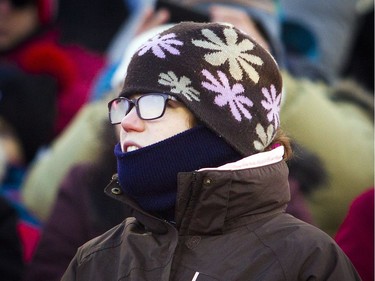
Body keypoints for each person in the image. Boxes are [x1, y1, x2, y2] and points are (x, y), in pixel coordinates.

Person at [61, 22, 360, 280]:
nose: (127, 122)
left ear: (221, 125)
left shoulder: (308, 260)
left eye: (152, 104)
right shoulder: (95, 259)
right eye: (123, 105)